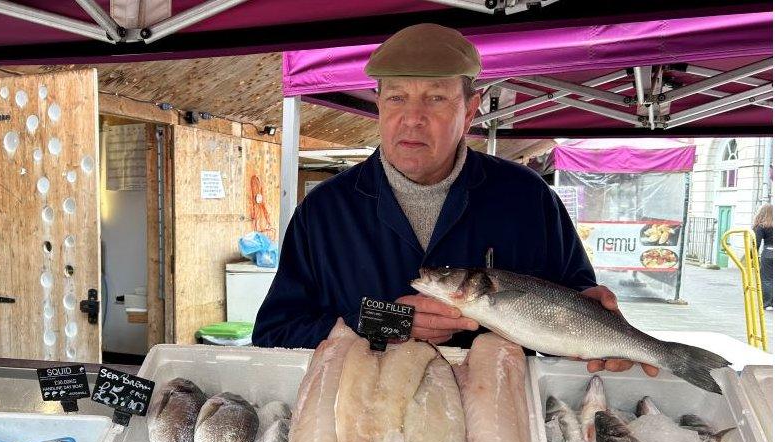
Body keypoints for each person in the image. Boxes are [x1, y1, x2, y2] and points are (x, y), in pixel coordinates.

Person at [252, 24, 656, 377]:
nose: (412, 117)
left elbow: (576, 303)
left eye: (436, 98)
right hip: (365, 415)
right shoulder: (325, 211)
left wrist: (595, 315)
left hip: (495, 417)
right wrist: (385, 322)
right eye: (396, 98)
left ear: (470, 110)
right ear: (377, 105)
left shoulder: (527, 198)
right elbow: (274, 333)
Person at [753, 203, 773, 310]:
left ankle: (768, 303)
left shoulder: (762, 226)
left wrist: (752, 256)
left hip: (769, 252)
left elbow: (756, 242)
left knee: (767, 279)